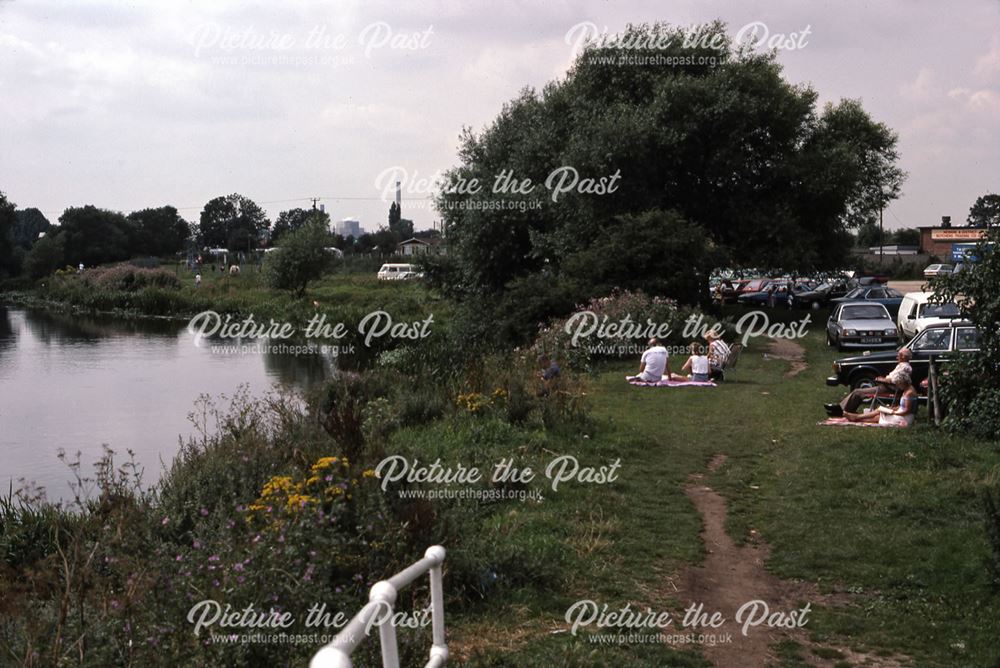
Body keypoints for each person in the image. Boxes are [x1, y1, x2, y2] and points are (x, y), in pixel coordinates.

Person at [825, 348, 913, 417]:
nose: (897, 357)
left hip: (889, 388)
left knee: (858, 392)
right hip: (887, 386)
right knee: (858, 391)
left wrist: (881, 380)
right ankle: (842, 409)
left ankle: (842, 410)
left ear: (903, 357)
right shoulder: (903, 366)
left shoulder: (904, 368)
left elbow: (894, 381)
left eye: (899, 355)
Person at [844, 374, 918, 426]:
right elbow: (902, 406)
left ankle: (857, 417)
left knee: (879, 416)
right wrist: (891, 409)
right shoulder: (907, 390)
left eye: (898, 384)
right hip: (902, 413)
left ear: (902, 382)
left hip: (905, 417)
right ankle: (857, 417)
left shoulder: (909, 393)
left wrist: (893, 412)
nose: (897, 386)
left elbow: (907, 410)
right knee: (880, 411)